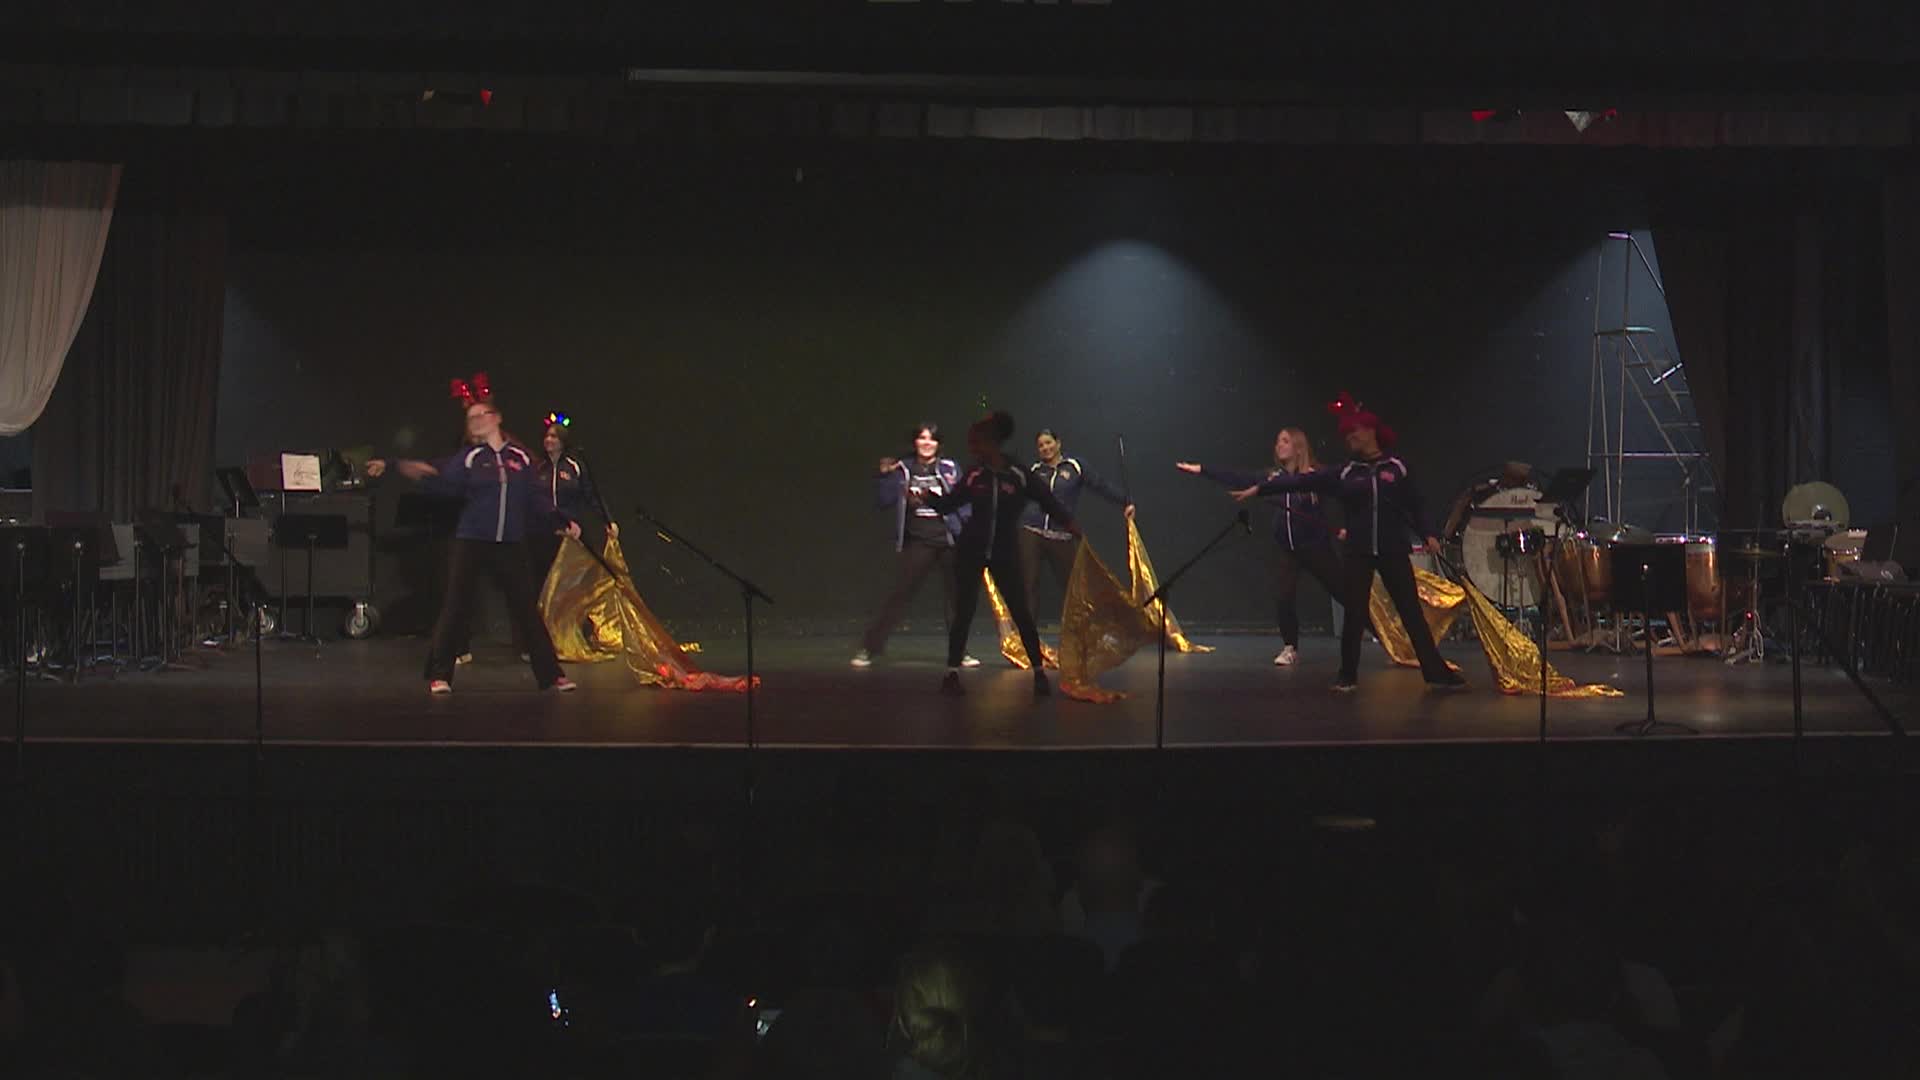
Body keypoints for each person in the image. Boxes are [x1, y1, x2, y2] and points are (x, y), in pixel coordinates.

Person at [1234, 394, 1466, 692]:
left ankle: (1436, 672)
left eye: (1356, 431)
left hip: (1393, 549)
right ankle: (1347, 675)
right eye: (1347, 433)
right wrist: (1260, 488)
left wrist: (1429, 533)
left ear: (1372, 432)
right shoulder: (1345, 472)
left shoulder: (1397, 467)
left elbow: (1416, 504)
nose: (1351, 436)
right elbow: (1300, 481)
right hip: (1358, 552)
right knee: (1354, 614)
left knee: (1411, 612)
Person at [368, 397, 579, 694]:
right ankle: (440, 674)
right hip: (473, 541)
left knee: (526, 611)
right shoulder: (469, 458)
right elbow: (436, 474)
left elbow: (536, 497)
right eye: (471, 417)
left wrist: (562, 519)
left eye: (482, 414)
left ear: (497, 418)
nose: (477, 420)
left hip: (510, 543)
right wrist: (394, 465)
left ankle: (551, 675)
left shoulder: (519, 457)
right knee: (455, 606)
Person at [914, 411, 1077, 698]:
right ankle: (952, 673)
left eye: (978, 442)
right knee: (964, 611)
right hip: (971, 550)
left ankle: (1039, 673)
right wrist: (926, 497)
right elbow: (949, 504)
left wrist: (1072, 526)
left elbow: (1048, 501)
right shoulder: (976, 474)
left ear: (993, 442)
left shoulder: (1018, 474)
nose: (973, 448)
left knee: (1020, 611)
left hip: (1004, 552)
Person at [1177, 426, 1345, 666]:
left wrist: (1341, 527)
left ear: (1298, 447)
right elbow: (1238, 477)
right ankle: (1290, 648)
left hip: (1315, 547)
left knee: (1344, 594)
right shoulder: (1273, 477)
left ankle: (1389, 640)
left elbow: (1338, 502)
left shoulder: (1315, 475)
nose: (1279, 445)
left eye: (1285, 441)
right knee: (1283, 596)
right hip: (1288, 549)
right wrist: (1202, 470)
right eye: (1278, 441)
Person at [852, 423, 980, 669]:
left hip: (949, 539)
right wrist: (884, 476)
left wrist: (968, 532)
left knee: (956, 600)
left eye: (931, 439)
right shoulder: (902, 468)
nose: (926, 443)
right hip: (919, 540)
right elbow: (884, 501)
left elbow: (965, 502)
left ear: (938, 444)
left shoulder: (950, 467)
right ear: (915, 442)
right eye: (922, 438)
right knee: (899, 595)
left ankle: (959, 651)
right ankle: (869, 648)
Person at [1019, 429, 1133, 619]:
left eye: (1048, 443)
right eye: (1040, 446)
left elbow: (1100, 485)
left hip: (1061, 533)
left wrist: (1126, 500)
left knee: (1072, 588)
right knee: (1028, 584)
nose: (1045, 448)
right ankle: (1027, 638)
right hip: (1031, 530)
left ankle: (1080, 636)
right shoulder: (1035, 471)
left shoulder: (1075, 466)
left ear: (1058, 443)